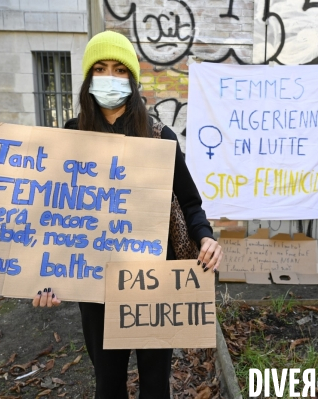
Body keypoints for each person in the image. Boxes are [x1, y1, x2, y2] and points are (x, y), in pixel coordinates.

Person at [31, 30, 223, 399]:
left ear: (133, 81)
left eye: (120, 69)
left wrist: (206, 237)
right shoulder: (70, 138)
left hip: (154, 280)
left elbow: (189, 201)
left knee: (155, 385)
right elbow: (52, 216)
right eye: (100, 69)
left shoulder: (159, 137)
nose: (110, 78)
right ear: (88, 80)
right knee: (108, 384)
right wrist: (45, 276)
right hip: (96, 284)